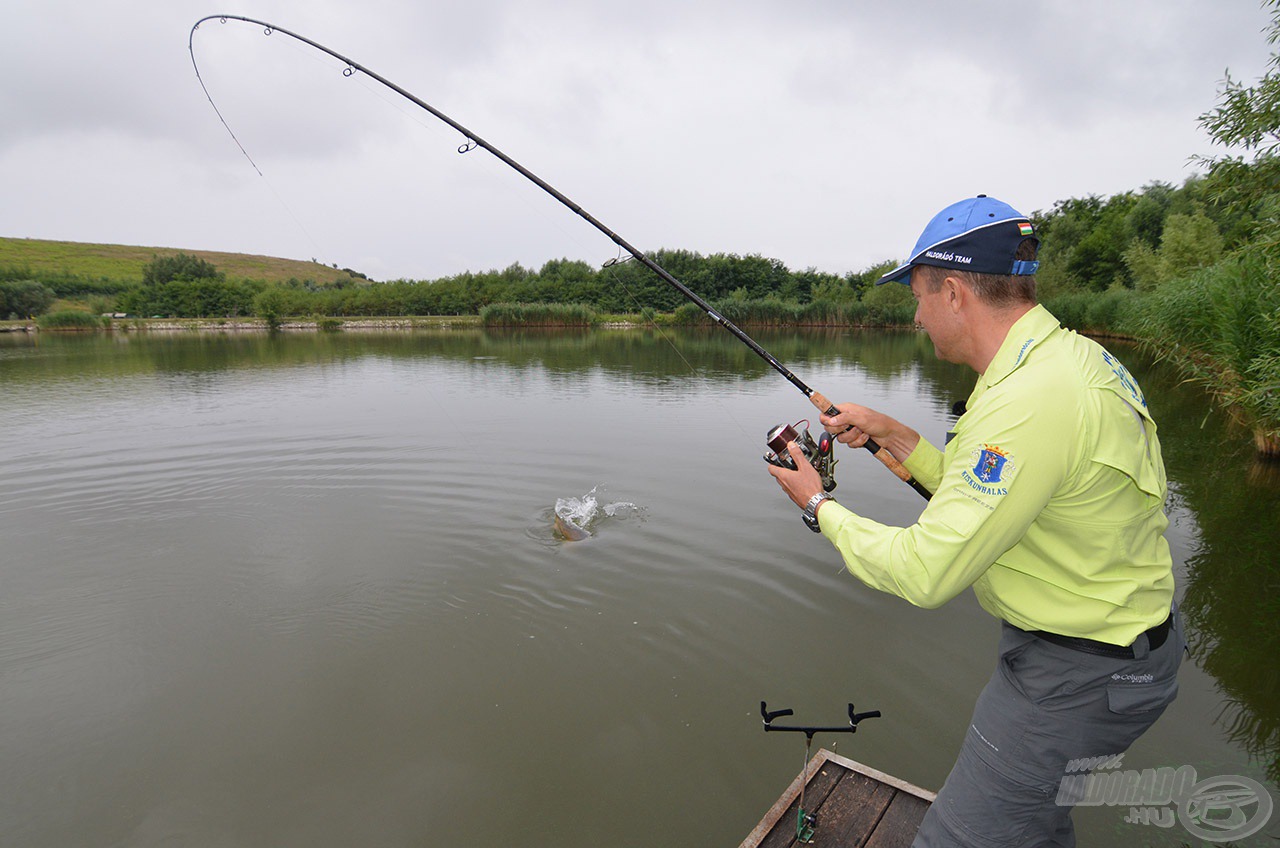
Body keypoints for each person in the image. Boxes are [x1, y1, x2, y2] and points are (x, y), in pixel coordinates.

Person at [767, 195, 1183, 847]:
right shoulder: (1065, 360)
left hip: (1079, 677)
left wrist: (820, 505)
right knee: (1035, 825)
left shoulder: (1027, 400)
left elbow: (925, 572)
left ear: (955, 292)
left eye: (918, 296)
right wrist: (893, 435)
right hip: (1110, 653)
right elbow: (995, 491)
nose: (916, 314)